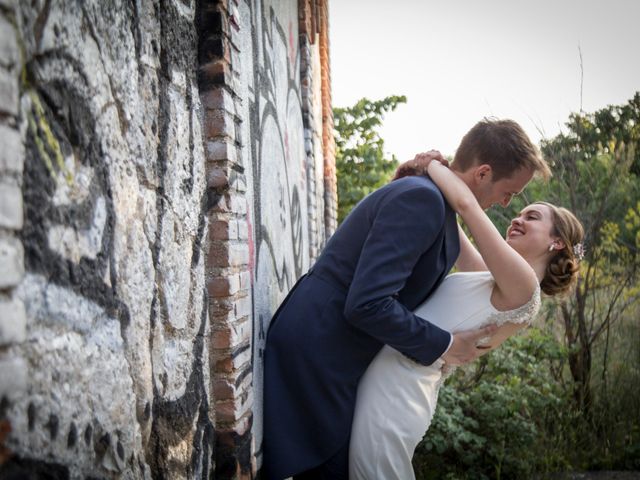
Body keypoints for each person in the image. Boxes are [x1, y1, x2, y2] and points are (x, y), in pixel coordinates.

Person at [262, 119, 551, 480]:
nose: (507, 203)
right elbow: (368, 303)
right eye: (509, 192)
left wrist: (433, 167)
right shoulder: (422, 200)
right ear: (483, 173)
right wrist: (446, 344)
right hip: (321, 357)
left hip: (341, 363)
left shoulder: (435, 204)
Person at [349, 159, 584, 479]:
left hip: (395, 397)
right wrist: (421, 176)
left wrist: (431, 162)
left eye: (532, 216)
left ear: (555, 242)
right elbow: (456, 220)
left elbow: (466, 206)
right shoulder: (492, 279)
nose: (517, 217)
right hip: (394, 388)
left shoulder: (525, 287)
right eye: (519, 212)